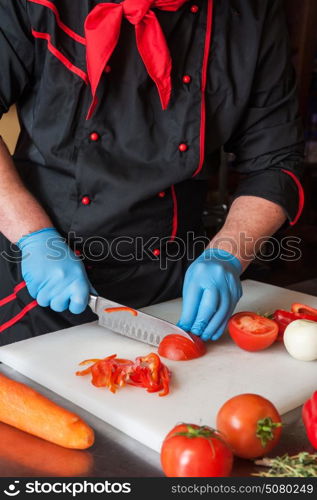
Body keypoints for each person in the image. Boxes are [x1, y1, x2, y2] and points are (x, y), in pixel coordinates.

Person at [0, 0, 304, 346]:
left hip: (176, 289)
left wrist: (228, 253)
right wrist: (34, 238)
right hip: (37, 271)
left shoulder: (251, 15)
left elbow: (275, 159)